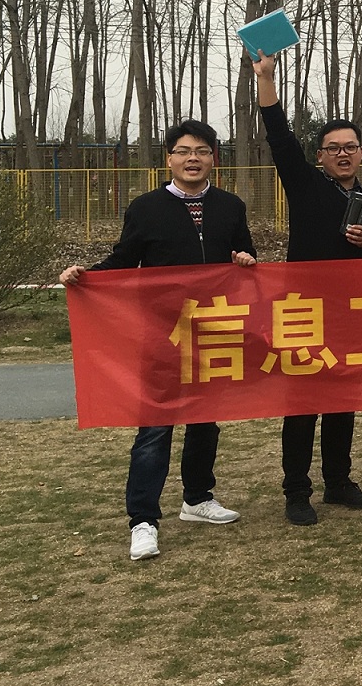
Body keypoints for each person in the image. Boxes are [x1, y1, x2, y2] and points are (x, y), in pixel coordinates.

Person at [60, 120, 258, 563]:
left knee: (206, 420)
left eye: (202, 151)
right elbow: (124, 259)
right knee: (155, 427)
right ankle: (143, 520)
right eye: (184, 151)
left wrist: (246, 260)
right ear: (169, 158)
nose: (193, 159)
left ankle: (197, 498)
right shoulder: (146, 207)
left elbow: (244, 256)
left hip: (213, 331)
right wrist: (85, 277)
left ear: (213, 159)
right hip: (161, 335)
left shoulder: (230, 206)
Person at [252, 51, 362, 526]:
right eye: (333, 148)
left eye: (351, 147)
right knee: (303, 403)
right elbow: (280, 138)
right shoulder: (305, 184)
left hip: (350, 315)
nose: (343, 154)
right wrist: (266, 80)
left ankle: (338, 481)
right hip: (304, 312)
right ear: (321, 156)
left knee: (343, 401)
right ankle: (296, 490)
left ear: (360, 153)